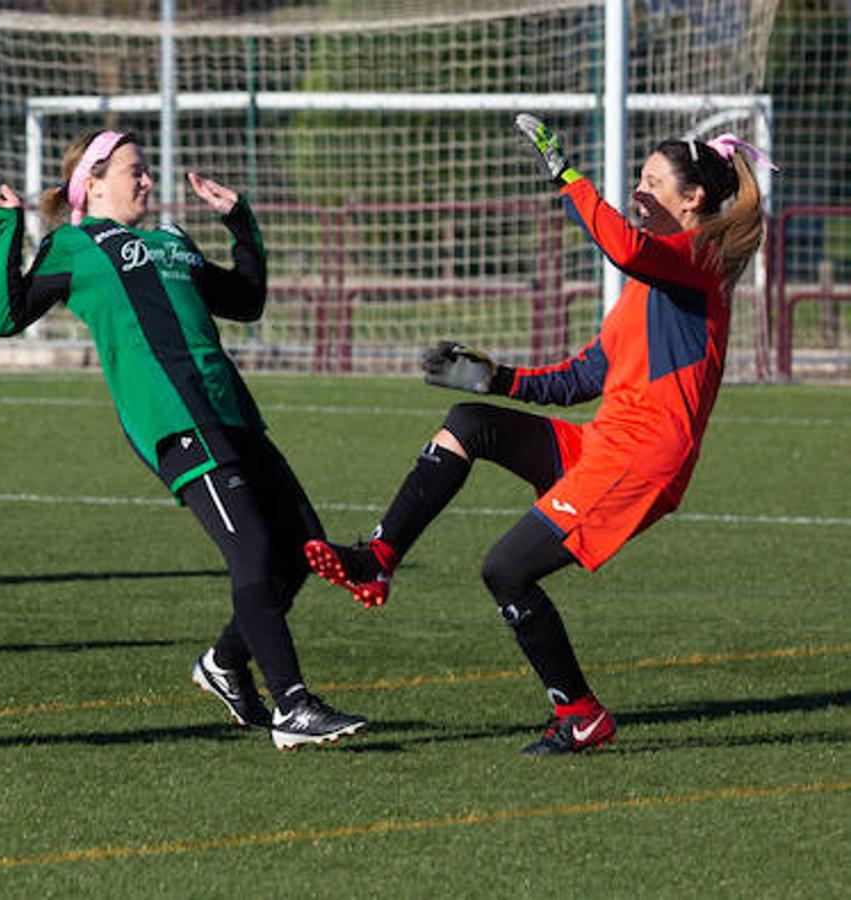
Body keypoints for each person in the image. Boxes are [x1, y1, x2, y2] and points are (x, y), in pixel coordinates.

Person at [302, 115, 771, 755]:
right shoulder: (651, 282)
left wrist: (566, 174)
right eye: (638, 178)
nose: (638, 190)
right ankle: (378, 560)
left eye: (652, 181)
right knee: (470, 424)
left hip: (640, 464)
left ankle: (580, 715)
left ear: (691, 200)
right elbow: (579, 379)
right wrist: (491, 377)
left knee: (506, 570)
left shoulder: (700, 262)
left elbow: (625, 246)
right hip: (606, 445)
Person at [0, 129, 367, 749]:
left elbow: (247, 300)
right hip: (174, 421)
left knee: (299, 551)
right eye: (135, 170)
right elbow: (5, 316)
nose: (147, 179)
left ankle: (226, 664)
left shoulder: (172, 241)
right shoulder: (73, 245)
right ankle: (292, 707)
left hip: (233, 412)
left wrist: (240, 223)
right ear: (92, 184)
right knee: (253, 553)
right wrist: (3, 227)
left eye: (147, 169)